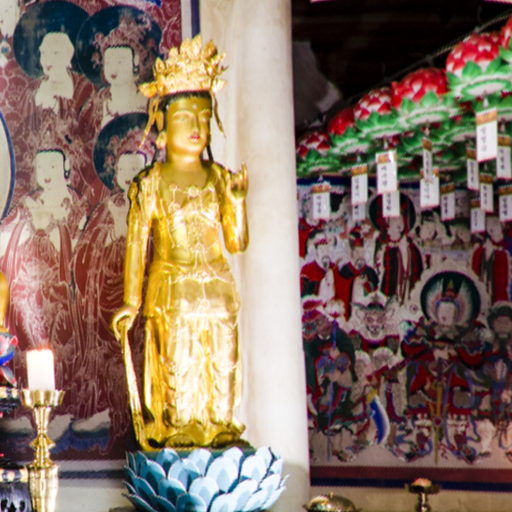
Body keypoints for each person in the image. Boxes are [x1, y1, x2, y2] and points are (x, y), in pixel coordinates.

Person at [111, 36, 249, 449]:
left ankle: (220, 428)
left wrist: (237, 203)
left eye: (204, 118)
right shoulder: (151, 182)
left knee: (223, 364)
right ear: (162, 124)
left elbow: (236, 243)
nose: (196, 128)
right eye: (186, 117)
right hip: (172, 289)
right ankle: (179, 430)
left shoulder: (220, 178)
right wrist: (131, 302)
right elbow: (137, 245)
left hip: (217, 286)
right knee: (178, 366)